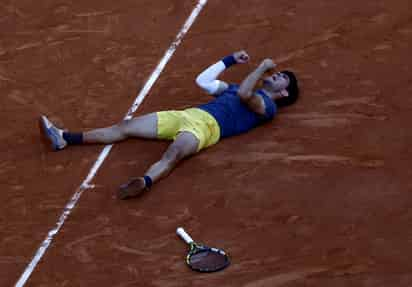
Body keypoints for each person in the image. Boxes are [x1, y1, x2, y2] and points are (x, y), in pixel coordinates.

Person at [39, 50, 299, 199]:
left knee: (172, 155)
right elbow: (203, 81)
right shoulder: (233, 88)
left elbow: (245, 95)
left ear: (284, 93)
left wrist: (261, 67)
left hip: (206, 129)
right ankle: (64, 138)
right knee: (126, 126)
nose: (277, 74)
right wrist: (229, 60)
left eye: (282, 78)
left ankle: (144, 181)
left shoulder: (268, 107)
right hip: (185, 115)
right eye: (278, 72)